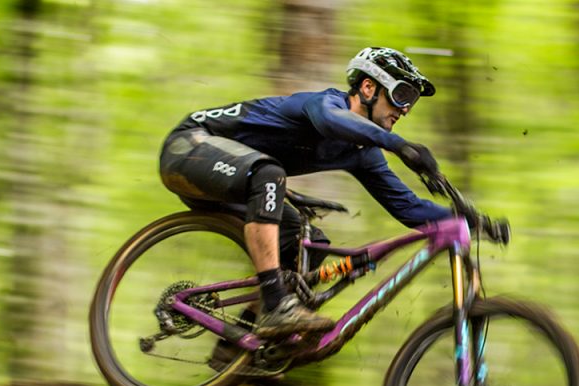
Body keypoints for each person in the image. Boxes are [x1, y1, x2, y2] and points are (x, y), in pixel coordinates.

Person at [159, 47, 451, 338]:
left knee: (308, 246)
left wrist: (472, 221)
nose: (405, 109)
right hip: (188, 147)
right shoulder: (324, 104)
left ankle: (242, 345)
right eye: (402, 95)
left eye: (411, 101)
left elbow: (409, 209)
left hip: (231, 180)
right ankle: (277, 307)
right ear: (368, 87)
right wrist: (399, 145)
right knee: (269, 174)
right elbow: (331, 121)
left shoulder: (365, 153)